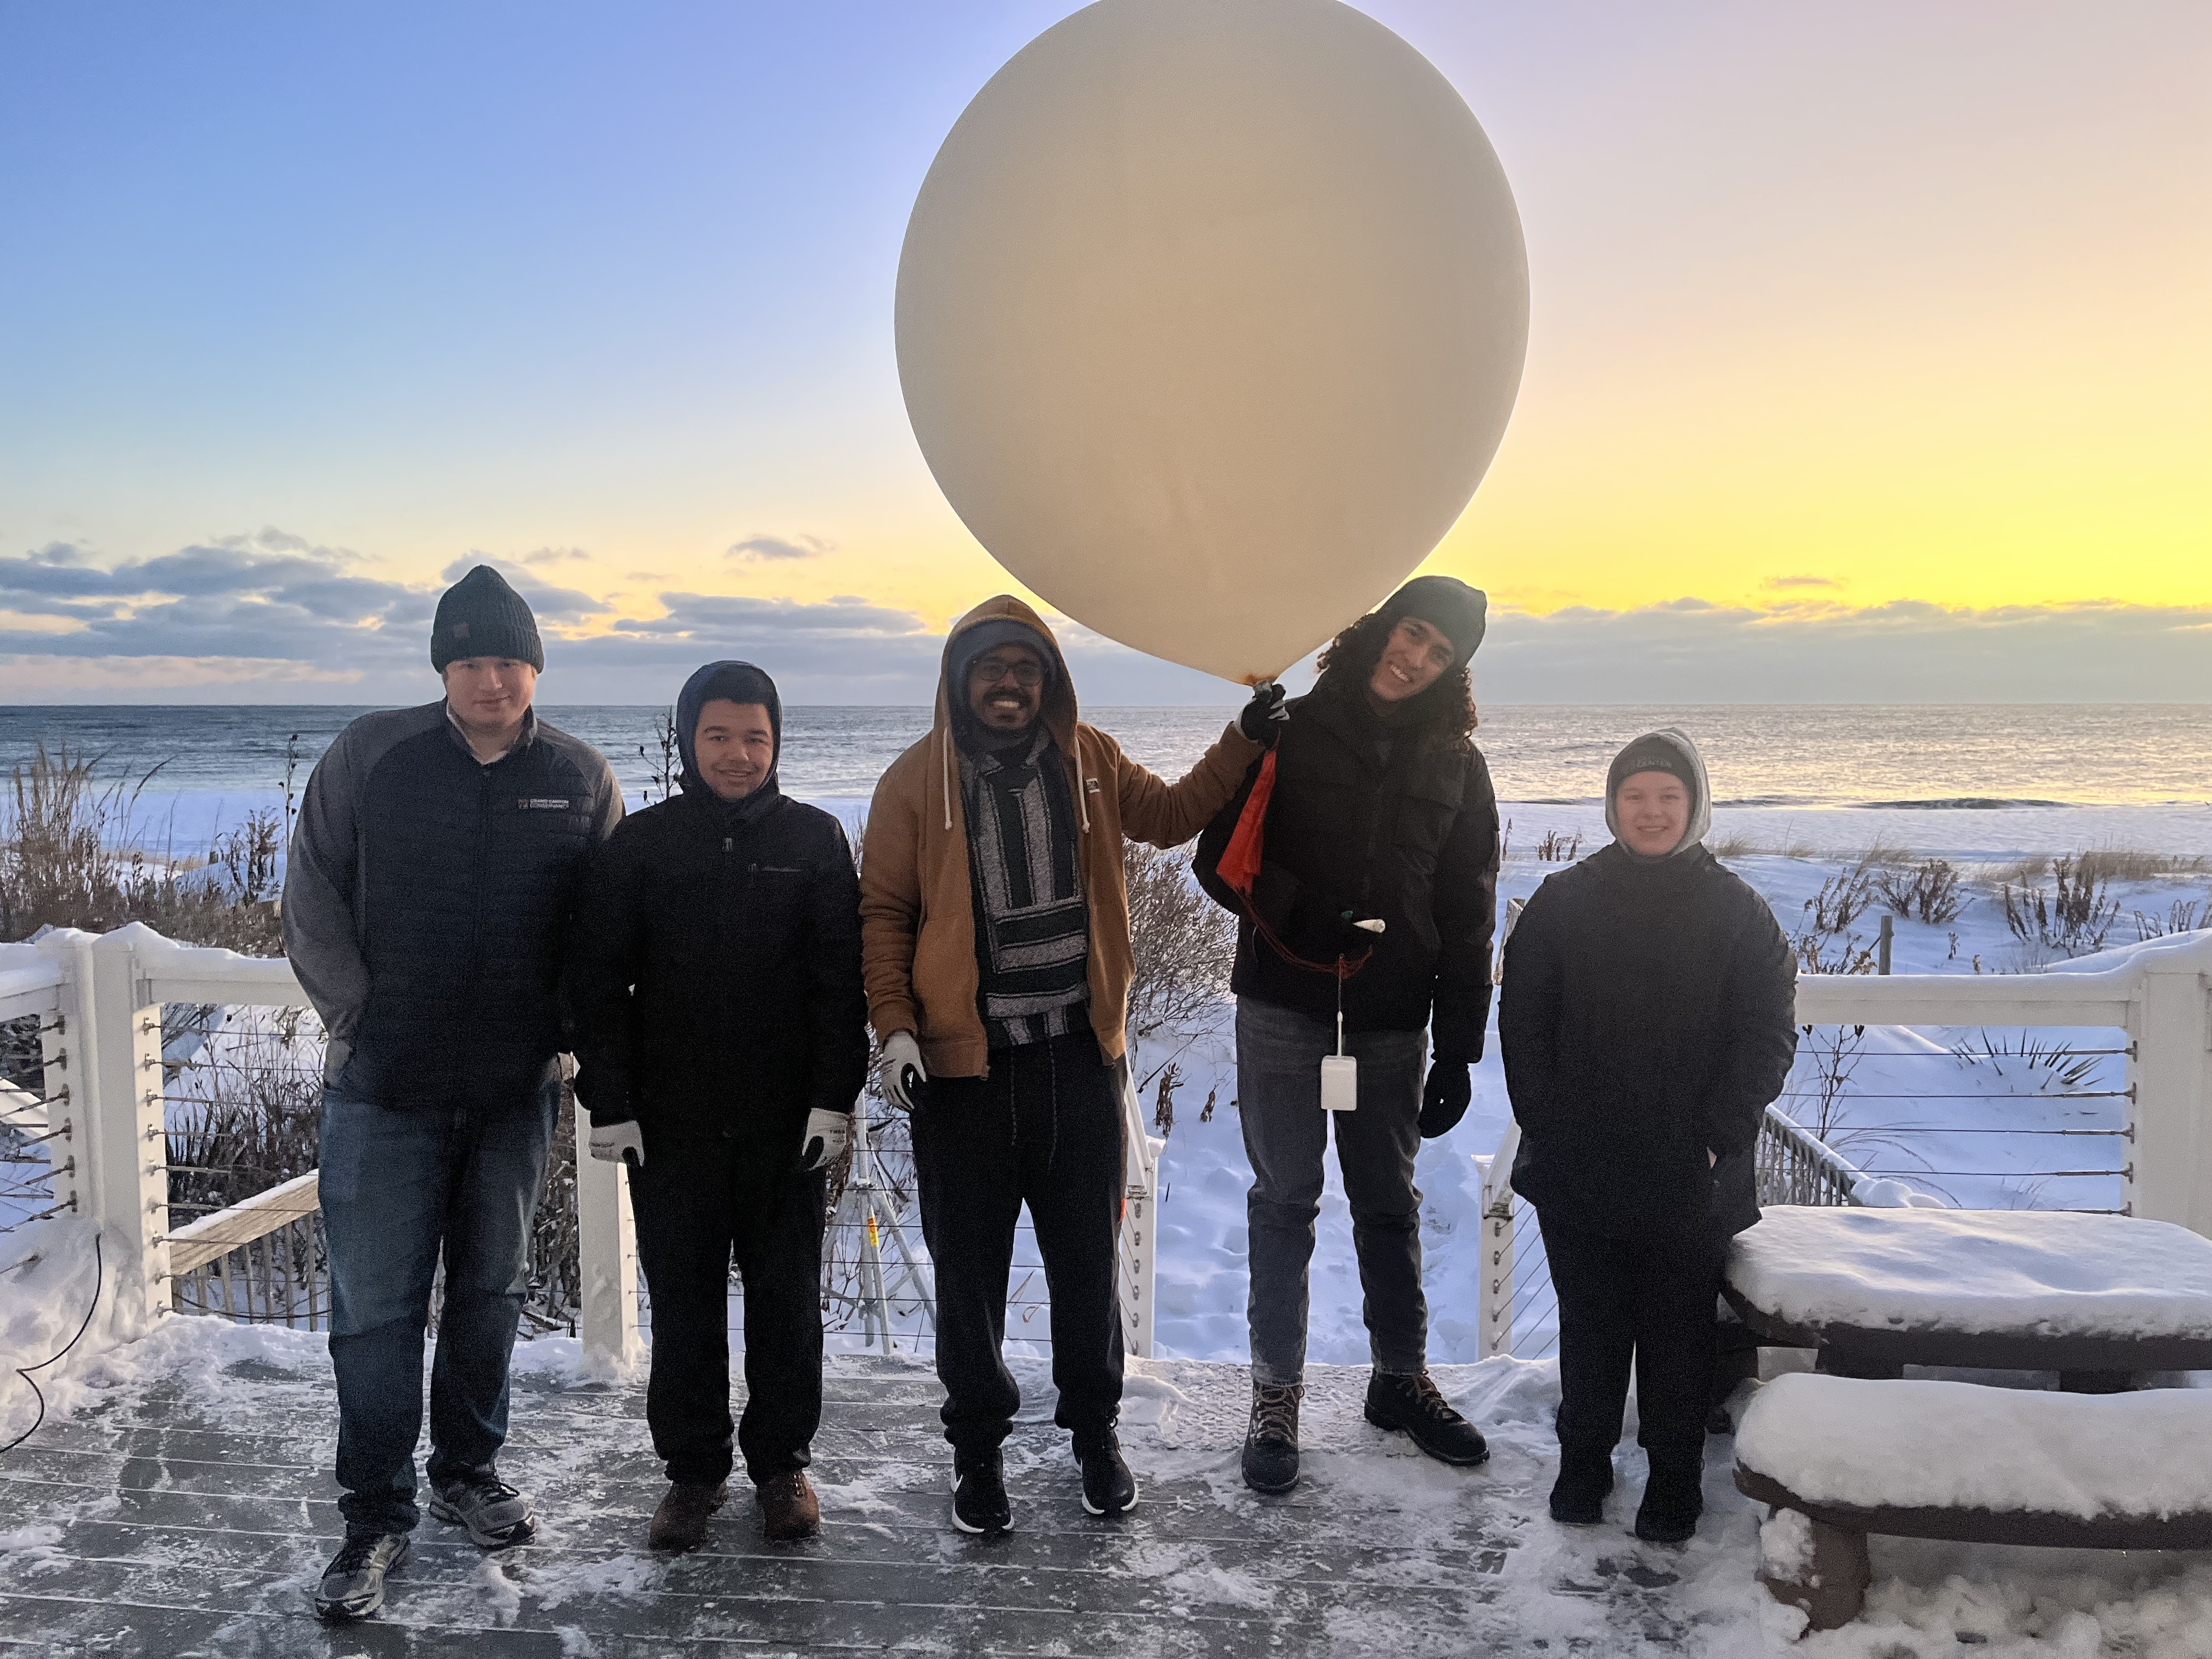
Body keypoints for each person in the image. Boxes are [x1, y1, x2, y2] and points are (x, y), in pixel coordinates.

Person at [859, 596, 1280, 1534]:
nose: (1009, 685)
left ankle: (1096, 1433)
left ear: (1048, 680)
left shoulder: (1090, 759)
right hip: (964, 1078)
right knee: (968, 1280)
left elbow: (1172, 815)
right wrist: (896, 1028)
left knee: (1087, 1270)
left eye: (1026, 669)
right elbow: (884, 913)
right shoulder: (913, 783)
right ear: (960, 680)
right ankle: (978, 1451)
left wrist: (1243, 739)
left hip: (1079, 1064)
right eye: (991, 669)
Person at [283, 565, 622, 1621]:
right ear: (443, 668)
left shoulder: (578, 775)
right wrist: (358, 1014)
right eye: (471, 660)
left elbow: (609, 922)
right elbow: (310, 894)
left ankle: (467, 1472)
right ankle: (374, 1515)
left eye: (509, 660)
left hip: (514, 1095)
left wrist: (570, 1031)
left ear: (536, 668)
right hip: (382, 1091)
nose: (492, 679)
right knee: (376, 1312)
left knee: (491, 1291)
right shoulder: (370, 755)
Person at [1193, 576, 1500, 1494]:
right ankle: (1275, 1394)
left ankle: (1399, 1380)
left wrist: (1460, 1049)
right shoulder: (1286, 731)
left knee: (1387, 1205)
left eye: (1441, 653)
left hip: (1393, 1021)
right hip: (1283, 1008)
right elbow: (1217, 861)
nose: (1418, 659)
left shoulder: (1459, 765)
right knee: (1284, 1202)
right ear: (1380, 628)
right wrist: (1305, 915)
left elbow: (1469, 915)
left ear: (1455, 670)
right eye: (1414, 633)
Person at [566, 661, 867, 1554]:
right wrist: (611, 1101)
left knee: (787, 1303)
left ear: (778, 743)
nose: (738, 755)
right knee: (685, 1304)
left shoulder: (814, 839)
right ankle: (693, 1473)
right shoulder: (644, 844)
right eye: (719, 736)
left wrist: (834, 1099)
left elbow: (839, 983)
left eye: (756, 738)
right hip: (673, 1126)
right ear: (688, 737)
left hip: (785, 1127)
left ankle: (782, 1467)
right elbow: (596, 981)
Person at [1498, 729, 1797, 1544]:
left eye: (1669, 796)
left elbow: (1767, 1034)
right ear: (1612, 806)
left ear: (1695, 806)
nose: (1652, 811)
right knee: (1591, 1328)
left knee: (1678, 1337)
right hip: (1579, 1165)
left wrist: (1718, 1138)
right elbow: (1523, 1027)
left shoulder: (1739, 912)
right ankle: (1583, 1464)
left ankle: (1674, 1477)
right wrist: (1551, 1129)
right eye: (1635, 796)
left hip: (1691, 1170)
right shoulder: (1563, 902)